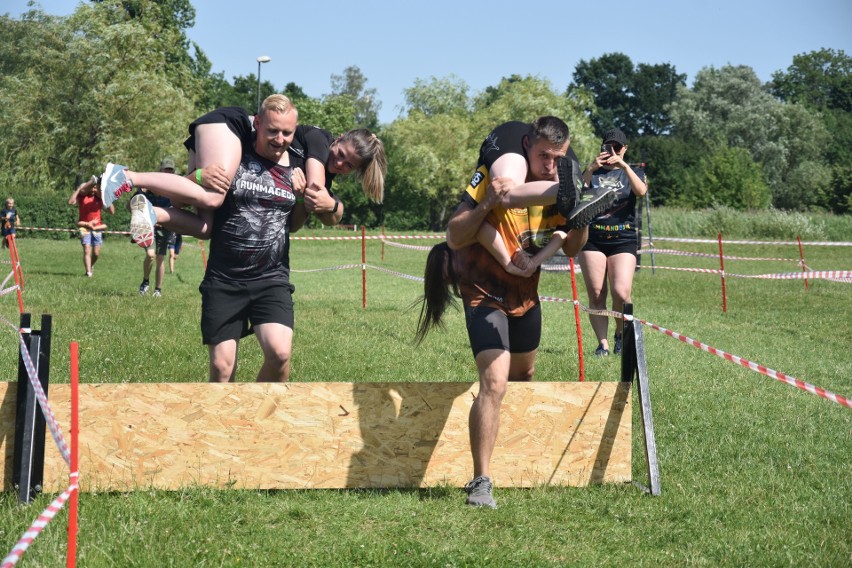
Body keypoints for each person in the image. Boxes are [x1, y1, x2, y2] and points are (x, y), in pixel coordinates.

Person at [416, 117, 617, 509]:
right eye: (543, 155)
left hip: (526, 293)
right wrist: (490, 203)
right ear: (526, 145)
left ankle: (518, 454)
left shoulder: (558, 188)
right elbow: (455, 234)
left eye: (557, 158)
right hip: (483, 290)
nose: (549, 164)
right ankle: (482, 481)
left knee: (523, 374)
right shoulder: (495, 175)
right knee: (494, 381)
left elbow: (573, 246)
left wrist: (580, 217)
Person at [100, 109, 386, 244]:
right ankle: (126, 175)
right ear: (337, 139)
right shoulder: (319, 140)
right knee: (213, 196)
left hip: (223, 142)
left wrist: (324, 204)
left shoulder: (326, 166)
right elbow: (315, 187)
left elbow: (295, 225)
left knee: (204, 226)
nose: (338, 162)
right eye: (340, 153)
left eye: (348, 165)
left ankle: (151, 212)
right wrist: (329, 203)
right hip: (228, 126)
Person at [577, 128, 648, 356]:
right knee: (597, 293)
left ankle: (620, 334)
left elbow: (641, 191)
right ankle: (603, 344)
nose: (613, 151)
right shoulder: (593, 172)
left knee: (621, 292)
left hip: (623, 239)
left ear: (625, 148)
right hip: (593, 239)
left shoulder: (633, 171)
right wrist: (590, 168)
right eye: (609, 147)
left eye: (617, 147)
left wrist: (624, 166)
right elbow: (578, 193)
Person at [134, 158, 177, 296]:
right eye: (166, 169)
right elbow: (134, 202)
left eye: (171, 170)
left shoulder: (175, 188)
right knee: (150, 254)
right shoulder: (150, 183)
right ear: (160, 170)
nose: (169, 172)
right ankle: (145, 282)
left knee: (160, 258)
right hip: (149, 227)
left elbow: (178, 207)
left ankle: (158, 290)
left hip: (166, 227)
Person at [68, 176, 114, 277]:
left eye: (95, 187)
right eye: (92, 187)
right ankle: (88, 273)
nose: (93, 189)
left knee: (96, 253)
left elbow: (111, 211)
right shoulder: (82, 196)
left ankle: (90, 266)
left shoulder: (99, 198)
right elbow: (70, 202)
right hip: (84, 226)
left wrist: (106, 195)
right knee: (87, 250)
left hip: (97, 228)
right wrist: (79, 189)